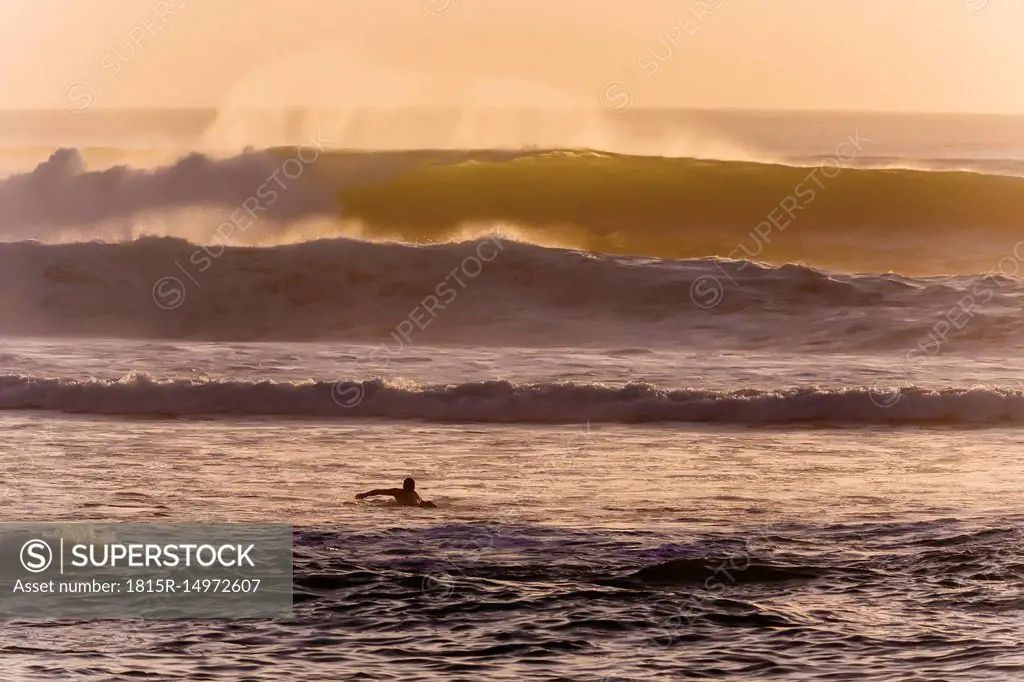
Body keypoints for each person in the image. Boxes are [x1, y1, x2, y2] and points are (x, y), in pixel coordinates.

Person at [355, 477, 435, 507]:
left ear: (403, 486)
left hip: (404, 507)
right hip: (416, 507)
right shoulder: (415, 494)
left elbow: (378, 491)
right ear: (413, 486)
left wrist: (364, 495)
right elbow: (421, 502)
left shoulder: (397, 492)